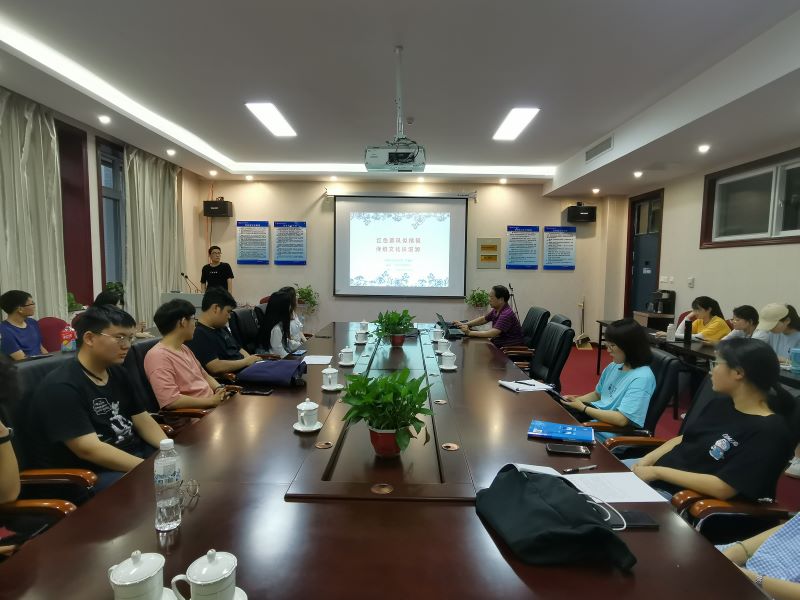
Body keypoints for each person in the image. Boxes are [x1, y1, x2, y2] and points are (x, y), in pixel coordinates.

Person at [630, 337, 797, 501]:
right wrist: (647, 460)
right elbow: (684, 438)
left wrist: (657, 472)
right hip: (655, 477)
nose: (711, 371)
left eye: (716, 364)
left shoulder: (769, 432)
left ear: (738, 373)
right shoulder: (721, 404)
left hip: (681, 498)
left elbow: (723, 488)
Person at [23, 305, 167, 491]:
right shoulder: (60, 386)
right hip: (91, 474)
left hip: (131, 454)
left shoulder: (117, 372)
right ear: (89, 338)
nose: (127, 345)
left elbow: (142, 419)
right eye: (120, 337)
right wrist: (149, 469)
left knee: (184, 465)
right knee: (160, 487)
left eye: (130, 338)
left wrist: (169, 450)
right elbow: (89, 449)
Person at [561, 318, 655, 429]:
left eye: (612, 346)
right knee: (558, 409)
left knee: (558, 422)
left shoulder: (642, 378)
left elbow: (622, 419)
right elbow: (598, 394)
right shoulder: (615, 365)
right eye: (607, 345)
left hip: (605, 428)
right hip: (594, 414)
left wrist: (583, 408)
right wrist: (576, 401)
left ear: (630, 347)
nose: (608, 350)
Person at [144, 299, 228, 410]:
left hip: (213, 406)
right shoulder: (158, 357)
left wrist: (219, 389)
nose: (195, 324)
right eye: (193, 319)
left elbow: (204, 376)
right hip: (198, 415)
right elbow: (171, 401)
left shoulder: (184, 348)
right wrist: (211, 402)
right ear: (183, 322)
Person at [718, 512, 800, 599]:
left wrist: (753, 579)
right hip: (745, 565)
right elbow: (789, 528)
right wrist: (727, 556)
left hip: (767, 589)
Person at [185, 288, 260, 375]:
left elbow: (238, 348)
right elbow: (215, 367)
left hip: (247, 370)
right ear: (216, 308)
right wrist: (246, 362)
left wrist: (252, 363)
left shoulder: (221, 327)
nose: (229, 317)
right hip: (233, 377)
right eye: (228, 311)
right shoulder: (198, 333)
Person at [456, 285, 524, 348]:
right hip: (499, 344)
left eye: (491, 297)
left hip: (509, 349)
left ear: (501, 300)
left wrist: (469, 333)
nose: (489, 299)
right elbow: (483, 319)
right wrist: (465, 324)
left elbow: (492, 333)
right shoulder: (496, 310)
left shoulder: (506, 314)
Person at [0, 290, 47, 360]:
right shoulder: (4, 331)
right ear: (20, 309)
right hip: (26, 365)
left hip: (42, 363)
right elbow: (22, 360)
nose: (34, 306)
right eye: (31, 304)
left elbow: (40, 347)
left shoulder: (32, 323)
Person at [257, 291, 300, 358]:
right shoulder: (276, 328)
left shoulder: (280, 324)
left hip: (280, 356)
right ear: (283, 309)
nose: (291, 308)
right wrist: (292, 359)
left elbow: (286, 342)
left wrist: (300, 346)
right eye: (289, 305)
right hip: (271, 358)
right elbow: (278, 351)